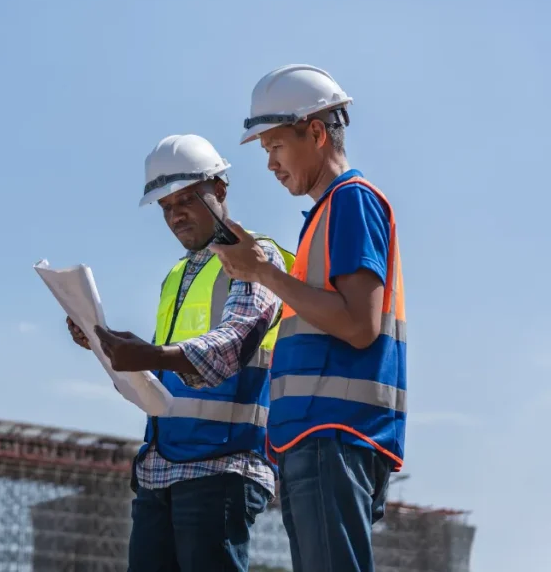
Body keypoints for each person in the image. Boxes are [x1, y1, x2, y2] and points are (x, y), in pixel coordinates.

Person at [208, 65, 407, 572]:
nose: (270, 164)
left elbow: (359, 326)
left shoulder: (351, 201)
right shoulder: (326, 213)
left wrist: (263, 273)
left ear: (316, 133)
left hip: (335, 434)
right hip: (317, 436)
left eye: (275, 146)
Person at [67, 134, 294, 572]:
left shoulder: (257, 256)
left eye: (186, 199)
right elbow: (161, 380)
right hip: (160, 468)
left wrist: (151, 354)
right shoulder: (177, 275)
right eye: (166, 207)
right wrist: (104, 345)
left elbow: (232, 345)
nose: (175, 216)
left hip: (222, 466)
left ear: (219, 189)